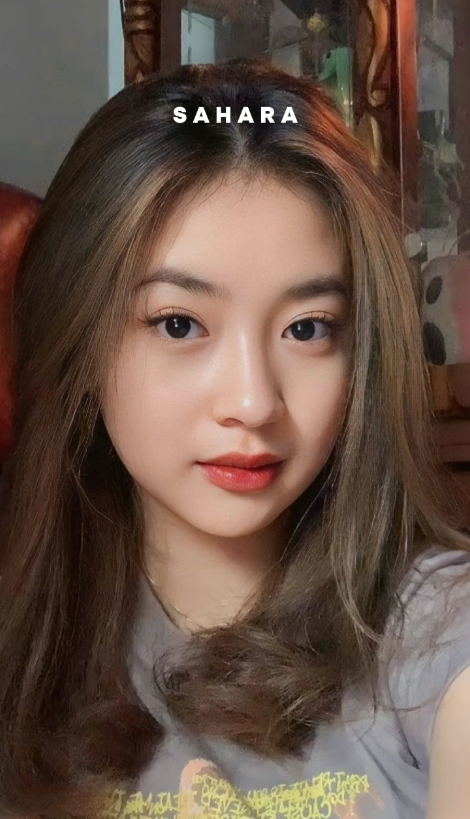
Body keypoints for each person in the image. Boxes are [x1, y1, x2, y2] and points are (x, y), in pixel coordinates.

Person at [0, 58, 469, 819]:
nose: (253, 403)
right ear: (79, 335)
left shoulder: (438, 634)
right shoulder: (23, 649)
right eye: (179, 324)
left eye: (307, 329)